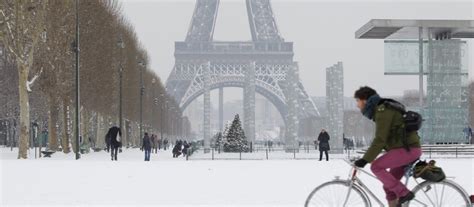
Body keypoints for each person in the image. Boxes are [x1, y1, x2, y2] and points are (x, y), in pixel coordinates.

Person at [352, 86, 421, 207]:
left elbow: (380, 139)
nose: (357, 105)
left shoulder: (383, 111)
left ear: (365, 100)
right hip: (405, 149)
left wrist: (365, 159)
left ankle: (404, 193)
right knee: (389, 187)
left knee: (376, 167)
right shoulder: (382, 109)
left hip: (408, 150)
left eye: (357, 101)